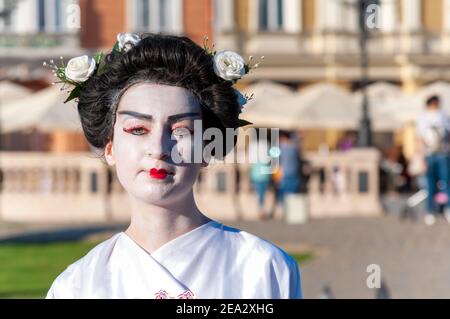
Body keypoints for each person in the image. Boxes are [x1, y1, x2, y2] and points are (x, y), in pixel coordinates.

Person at [44, 33, 301, 298]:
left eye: (181, 130)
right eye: (137, 129)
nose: (158, 148)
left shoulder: (263, 268)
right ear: (110, 148)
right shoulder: (76, 286)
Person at [416, 95, 450, 226]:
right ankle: (430, 211)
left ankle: (447, 208)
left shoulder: (444, 116)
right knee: (430, 184)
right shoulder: (423, 118)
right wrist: (421, 157)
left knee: (446, 183)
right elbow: (420, 139)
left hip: (443, 154)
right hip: (430, 154)